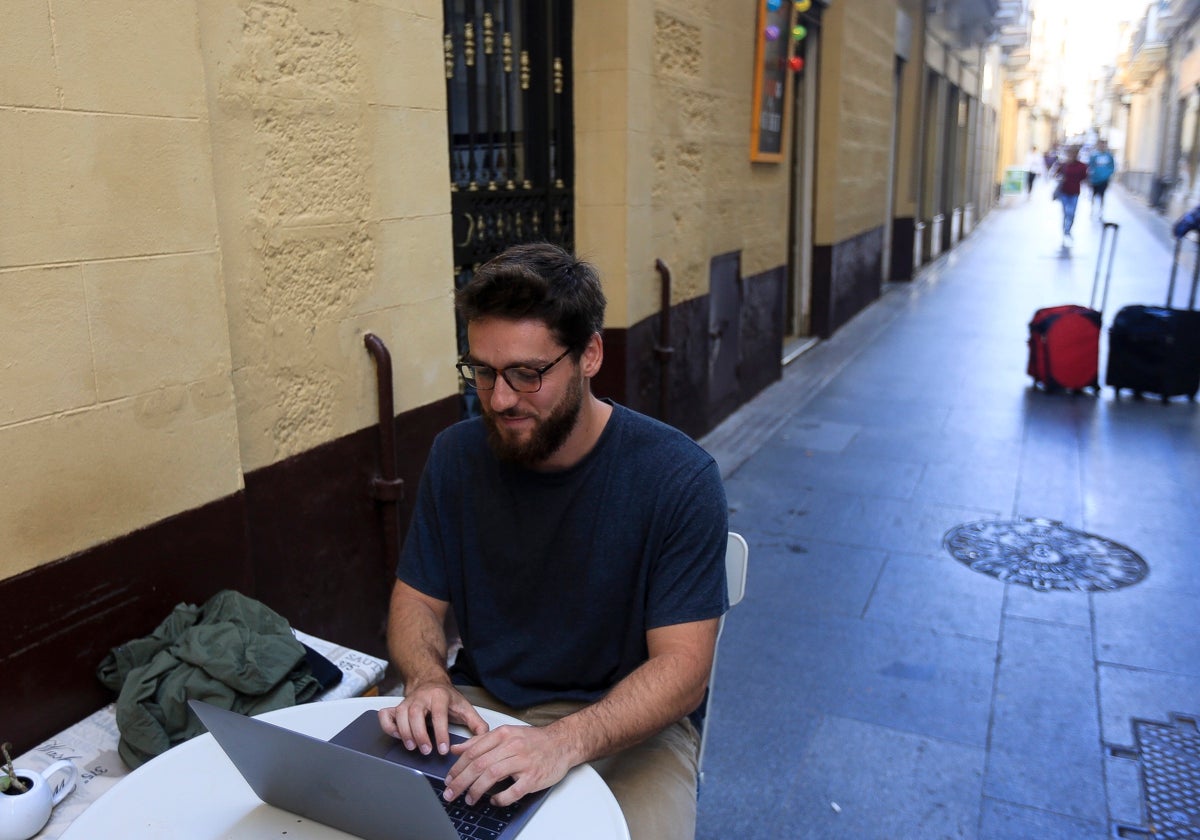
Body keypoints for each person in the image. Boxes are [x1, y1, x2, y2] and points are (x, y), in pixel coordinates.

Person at [378, 242, 729, 840]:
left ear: (589, 354)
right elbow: (416, 602)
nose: (500, 399)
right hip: (483, 704)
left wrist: (560, 743)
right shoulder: (455, 456)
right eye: (483, 372)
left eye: (527, 373)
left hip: (627, 727)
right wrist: (428, 679)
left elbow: (684, 669)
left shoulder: (678, 477)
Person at [1054, 145, 1089, 246]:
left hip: (1075, 192)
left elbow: (1085, 178)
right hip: (1064, 192)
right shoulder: (1064, 165)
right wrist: (1060, 178)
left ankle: (1068, 230)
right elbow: (1055, 175)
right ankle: (1065, 230)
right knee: (1066, 212)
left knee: (1072, 213)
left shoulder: (1082, 166)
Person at [1087, 139, 1116, 215]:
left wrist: (1108, 174)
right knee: (1094, 194)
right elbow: (1090, 166)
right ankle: (1092, 209)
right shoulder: (1094, 155)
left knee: (1102, 195)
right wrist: (1090, 177)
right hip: (1095, 179)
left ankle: (1101, 210)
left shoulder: (1109, 156)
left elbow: (1112, 166)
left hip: (1104, 179)